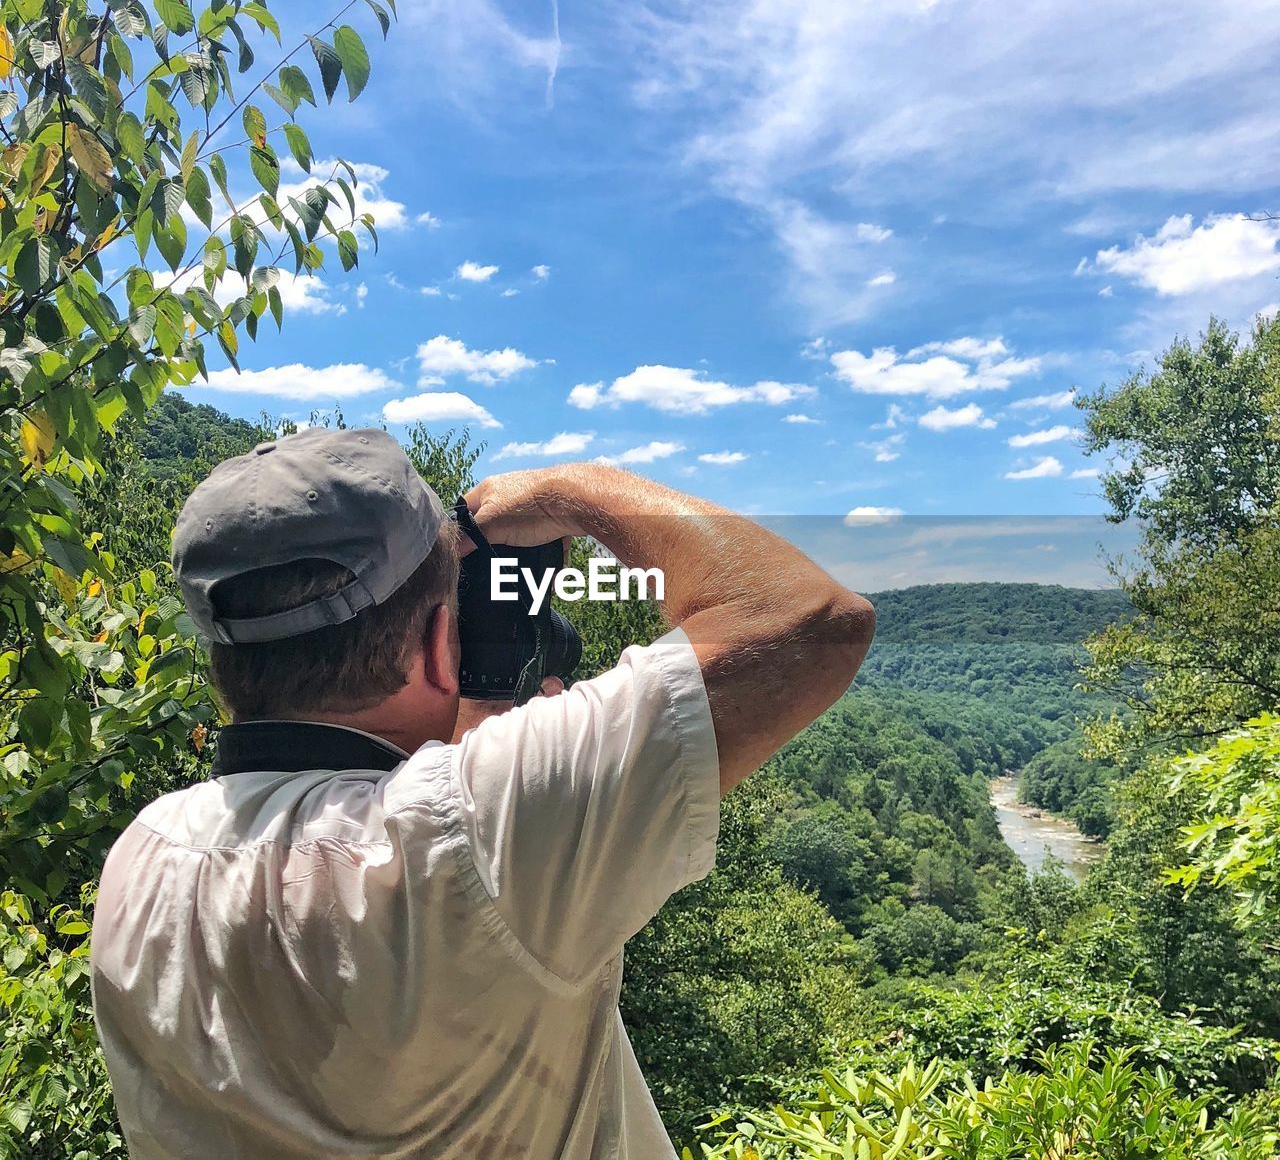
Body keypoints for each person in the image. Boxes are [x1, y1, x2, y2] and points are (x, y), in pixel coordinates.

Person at [89, 427, 875, 1159]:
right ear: (440, 646)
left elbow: (409, 870)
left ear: (225, 665)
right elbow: (811, 619)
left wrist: (483, 709)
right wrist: (575, 488)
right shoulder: (477, 834)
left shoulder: (142, 858)